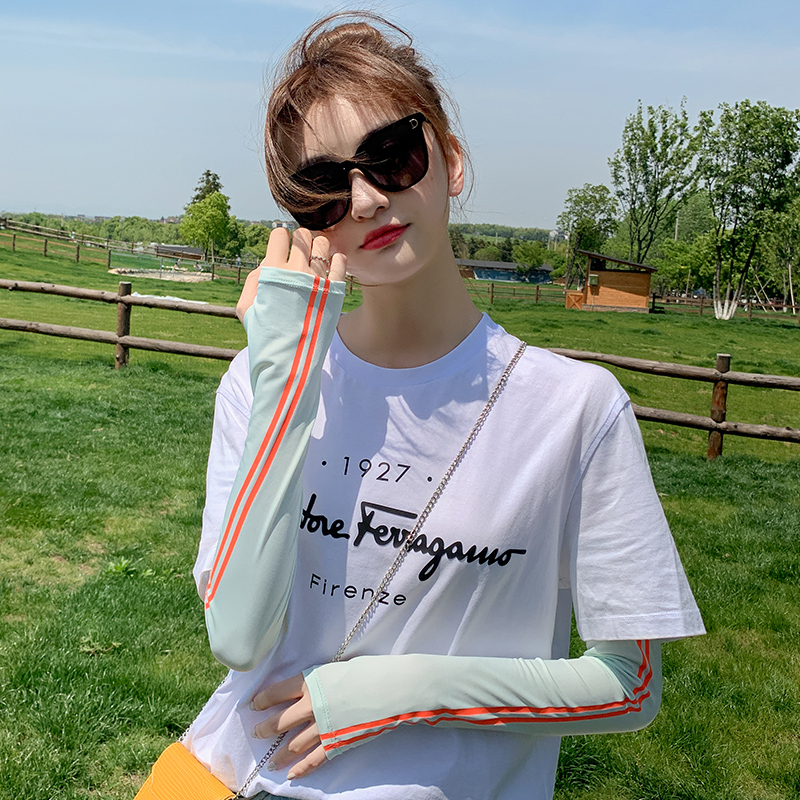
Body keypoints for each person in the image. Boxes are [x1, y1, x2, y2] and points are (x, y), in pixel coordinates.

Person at [186, 11, 705, 800]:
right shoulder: (263, 382)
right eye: (324, 186)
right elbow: (237, 636)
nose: (365, 200)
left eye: (392, 156)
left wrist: (400, 693)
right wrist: (284, 378)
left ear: (451, 160)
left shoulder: (576, 411)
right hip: (227, 778)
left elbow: (628, 686)